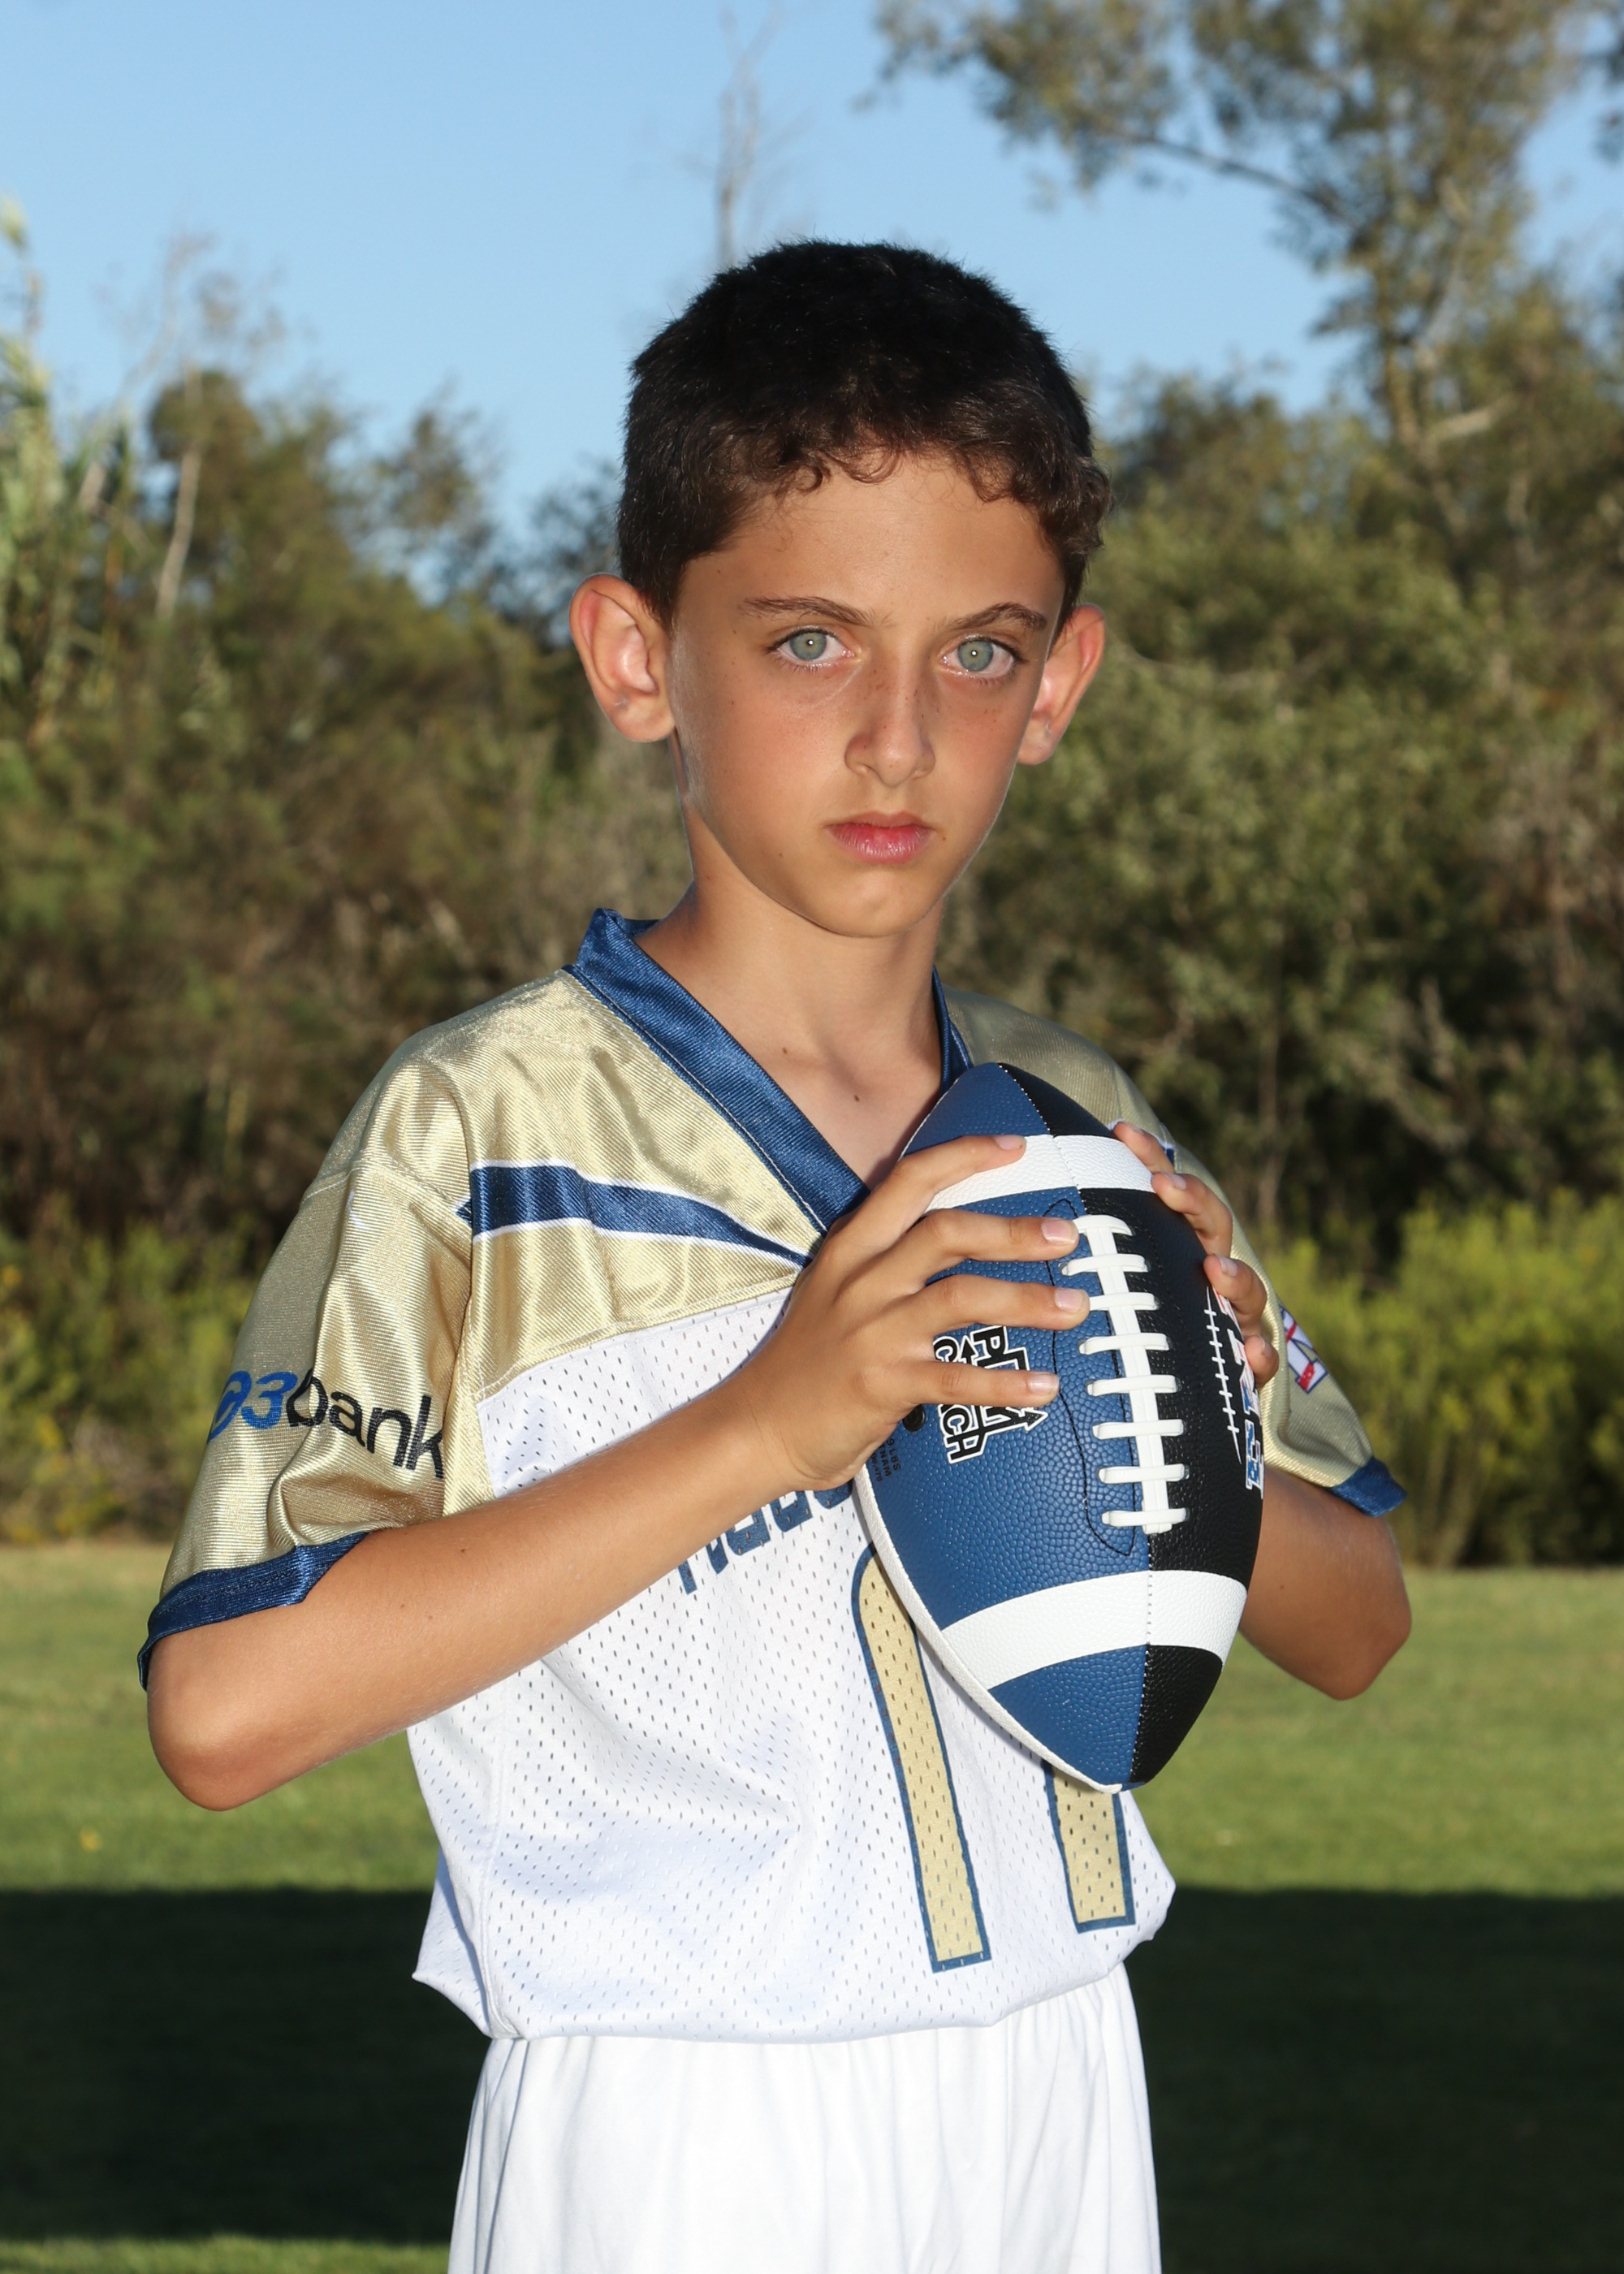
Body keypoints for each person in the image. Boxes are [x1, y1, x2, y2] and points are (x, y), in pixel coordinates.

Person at [144, 241, 1410, 2273]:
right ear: (637, 658)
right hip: (678, 2122)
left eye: (977, 652)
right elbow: (225, 1711)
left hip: (1058, 2085)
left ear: (1059, 684)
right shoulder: (476, 1129)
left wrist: (1197, 1392)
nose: (898, 736)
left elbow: (1358, 1625)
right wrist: (767, 1422)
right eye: (810, 641)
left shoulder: (1077, 1122)